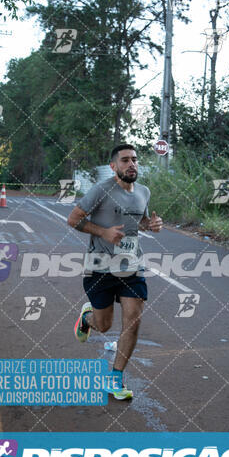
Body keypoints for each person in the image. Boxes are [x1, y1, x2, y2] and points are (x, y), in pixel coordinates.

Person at [68, 144, 163, 400]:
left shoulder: (144, 191)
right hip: (100, 268)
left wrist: (151, 224)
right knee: (104, 325)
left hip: (131, 267)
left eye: (134, 160)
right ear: (113, 166)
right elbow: (73, 218)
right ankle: (87, 319)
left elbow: (138, 222)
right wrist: (103, 233)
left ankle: (115, 378)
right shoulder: (101, 190)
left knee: (133, 321)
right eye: (125, 161)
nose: (131, 164)